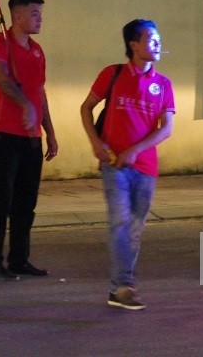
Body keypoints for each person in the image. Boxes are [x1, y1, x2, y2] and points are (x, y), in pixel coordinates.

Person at [79, 19, 174, 310]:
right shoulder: (113, 74)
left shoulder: (163, 84)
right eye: (150, 40)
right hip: (114, 166)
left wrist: (136, 150)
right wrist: (96, 142)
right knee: (120, 221)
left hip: (145, 168)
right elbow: (86, 108)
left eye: (158, 39)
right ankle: (123, 285)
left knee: (135, 228)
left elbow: (166, 127)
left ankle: (118, 287)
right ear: (133, 45)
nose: (157, 45)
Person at [0, 0, 58, 281]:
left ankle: (19, 259)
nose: (40, 19)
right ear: (17, 14)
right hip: (3, 135)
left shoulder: (37, 51)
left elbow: (40, 91)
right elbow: (1, 78)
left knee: (26, 202)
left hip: (31, 138)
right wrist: (23, 104)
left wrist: (49, 131)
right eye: (35, 13)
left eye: (41, 13)